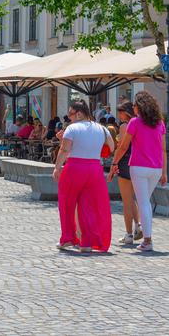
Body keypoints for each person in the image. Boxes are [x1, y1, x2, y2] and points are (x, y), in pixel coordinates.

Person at [52, 99, 114, 252]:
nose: (69, 118)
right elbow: (111, 147)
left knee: (67, 203)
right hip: (94, 170)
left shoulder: (72, 128)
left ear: (78, 113)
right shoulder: (101, 128)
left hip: (74, 167)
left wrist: (57, 168)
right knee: (89, 207)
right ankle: (87, 242)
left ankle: (68, 238)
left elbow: (65, 150)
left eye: (70, 115)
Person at [109, 91, 165, 252]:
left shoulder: (134, 122)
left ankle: (148, 240)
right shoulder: (160, 123)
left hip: (139, 167)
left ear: (139, 107)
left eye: (134, 105)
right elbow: (163, 150)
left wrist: (114, 162)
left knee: (143, 203)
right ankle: (145, 235)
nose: (132, 107)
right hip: (156, 168)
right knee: (144, 202)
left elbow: (124, 146)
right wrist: (165, 172)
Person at [108, 102, 142, 245]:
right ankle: (138, 225)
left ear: (126, 112)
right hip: (138, 162)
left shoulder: (124, 126)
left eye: (120, 111)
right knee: (132, 197)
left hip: (125, 162)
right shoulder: (140, 124)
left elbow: (122, 147)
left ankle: (129, 234)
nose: (119, 115)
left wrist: (113, 165)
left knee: (126, 201)